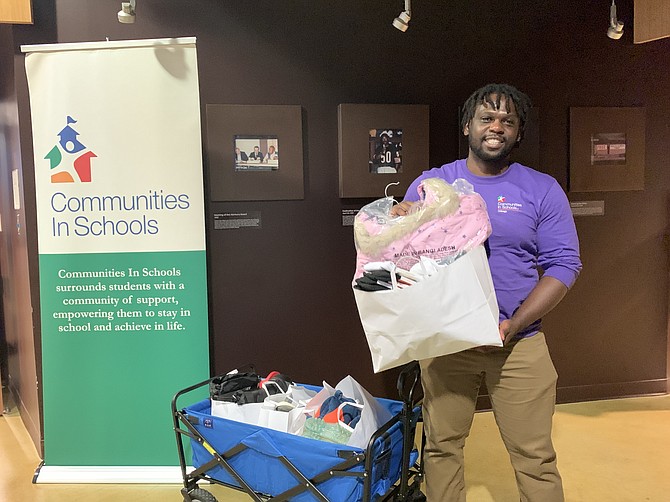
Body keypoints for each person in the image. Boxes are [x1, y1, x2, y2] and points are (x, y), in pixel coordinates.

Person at [391, 83, 581, 501]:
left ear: (517, 132)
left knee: (535, 458)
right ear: (467, 126)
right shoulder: (432, 184)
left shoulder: (541, 189)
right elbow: (403, 261)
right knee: (441, 449)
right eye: (487, 117)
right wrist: (398, 223)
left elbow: (564, 265)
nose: (496, 127)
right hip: (446, 346)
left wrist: (515, 324)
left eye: (507, 121)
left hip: (518, 345)